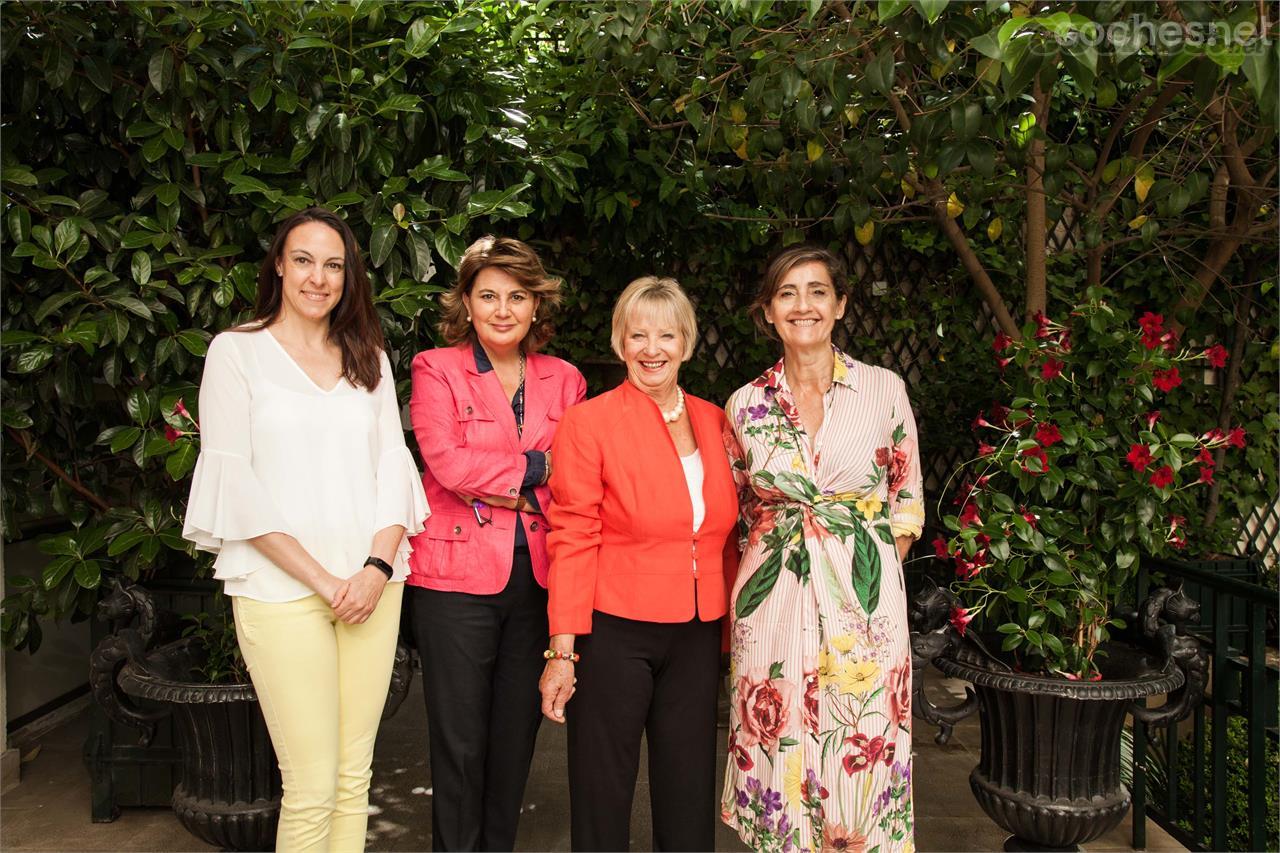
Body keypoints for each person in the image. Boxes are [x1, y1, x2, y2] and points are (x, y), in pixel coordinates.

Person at [182, 207, 429, 852]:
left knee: (353, 780)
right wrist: (327, 581)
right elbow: (236, 487)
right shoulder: (236, 353)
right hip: (280, 591)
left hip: (372, 587)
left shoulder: (367, 357)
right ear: (278, 267)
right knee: (312, 785)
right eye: (304, 260)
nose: (318, 277)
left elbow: (392, 473)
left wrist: (374, 571)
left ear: (349, 278)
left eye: (334, 265)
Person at [719, 245, 923, 852]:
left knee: (861, 746)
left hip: (865, 609)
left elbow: (906, 498)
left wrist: (874, 582)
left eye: (815, 291)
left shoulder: (883, 389)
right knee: (775, 737)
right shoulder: (745, 405)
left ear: (840, 305)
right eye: (786, 293)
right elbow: (738, 512)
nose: (802, 305)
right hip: (770, 604)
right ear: (767, 312)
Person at [539, 276, 740, 852]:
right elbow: (573, 536)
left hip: (698, 632)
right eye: (638, 335)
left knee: (688, 793)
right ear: (620, 343)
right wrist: (562, 650)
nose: (652, 349)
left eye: (667, 335)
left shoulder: (715, 420)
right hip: (615, 630)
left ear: (687, 343)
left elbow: (729, 533)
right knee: (603, 794)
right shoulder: (588, 422)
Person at [406, 236, 585, 851]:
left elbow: (579, 477)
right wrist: (536, 472)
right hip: (453, 582)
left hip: (536, 579)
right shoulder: (436, 367)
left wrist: (502, 480)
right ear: (467, 302)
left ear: (538, 305)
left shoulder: (565, 380)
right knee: (459, 744)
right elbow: (447, 464)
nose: (503, 309)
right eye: (488, 295)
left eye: (517, 296)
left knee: (514, 742)